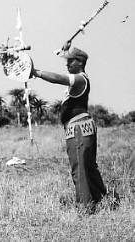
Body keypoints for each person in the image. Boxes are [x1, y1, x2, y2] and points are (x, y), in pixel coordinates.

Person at [31, 42, 107, 212]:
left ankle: (85, 207)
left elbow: (59, 78)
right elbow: (66, 71)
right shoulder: (80, 79)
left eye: (71, 61)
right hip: (81, 127)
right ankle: (102, 199)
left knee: (79, 168)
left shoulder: (80, 79)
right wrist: (65, 50)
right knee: (88, 166)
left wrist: (36, 73)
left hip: (78, 128)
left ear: (80, 63)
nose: (67, 64)